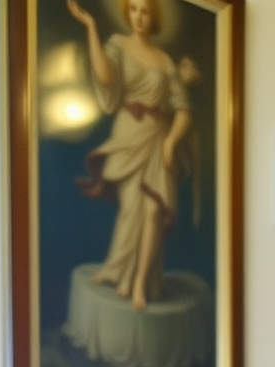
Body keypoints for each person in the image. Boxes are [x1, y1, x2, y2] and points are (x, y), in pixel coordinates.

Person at [68, 0, 193, 311]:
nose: (138, 17)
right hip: (128, 134)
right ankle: (119, 272)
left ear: (154, 17)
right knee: (131, 210)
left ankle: (139, 283)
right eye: (133, 10)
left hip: (156, 138)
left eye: (145, 11)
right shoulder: (118, 44)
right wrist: (91, 28)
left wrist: (170, 144)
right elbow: (106, 77)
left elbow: (183, 111)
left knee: (153, 210)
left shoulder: (165, 61)